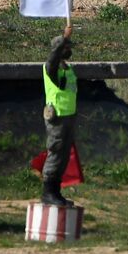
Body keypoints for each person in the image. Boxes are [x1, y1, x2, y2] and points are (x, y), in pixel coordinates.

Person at [41, 27, 77, 207]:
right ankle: (48, 192)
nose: (69, 49)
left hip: (68, 116)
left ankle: (55, 191)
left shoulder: (66, 68)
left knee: (63, 157)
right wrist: (63, 37)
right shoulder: (51, 67)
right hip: (57, 118)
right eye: (65, 47)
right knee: (55, 154)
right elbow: (53, 57)